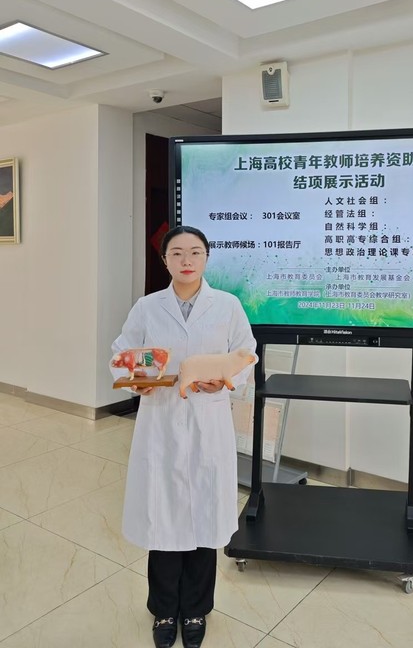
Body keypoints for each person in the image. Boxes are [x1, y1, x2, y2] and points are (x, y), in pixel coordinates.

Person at [110, 226, 256, 648]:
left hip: (209, 423)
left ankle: (195, 609)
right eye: (177, 253)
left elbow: (247, 354)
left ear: (206, 258)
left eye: (195, 252)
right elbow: (121, 354)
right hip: (161, 421)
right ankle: (163, 610)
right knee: (163, 518)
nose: (186, 260)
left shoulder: (227, 305)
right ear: (165, 260)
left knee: (205, 520)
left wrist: (225, 380)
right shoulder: (147, 307)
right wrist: (136, 381)